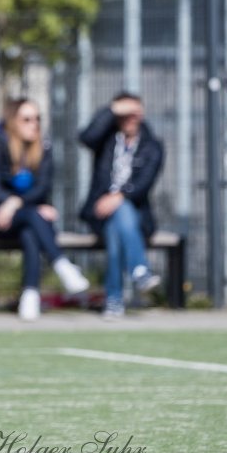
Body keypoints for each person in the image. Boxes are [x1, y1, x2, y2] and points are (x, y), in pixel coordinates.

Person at [0, 98, 89, 321]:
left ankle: (30, 297)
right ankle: (61, 265)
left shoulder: (44, 148)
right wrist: (12, 204)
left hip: (27, 216)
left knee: (31, 228)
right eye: (27, 119)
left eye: (38, 119)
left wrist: (17, 203)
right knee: (35, 216)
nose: (34, 124)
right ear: (13, 122)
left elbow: (42, 188)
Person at [78, 92, 165, 319]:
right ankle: (140, 270)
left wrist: (117, 197)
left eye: (134, 114)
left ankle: (114, 300)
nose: (130, 119)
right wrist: (112, 109)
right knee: (116, 223)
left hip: (136, 215)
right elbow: (86, 137)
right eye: (125, 115)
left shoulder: (152, 146)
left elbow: (143, 184)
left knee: (120, 219)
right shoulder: (106, 140)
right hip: (100, 214)